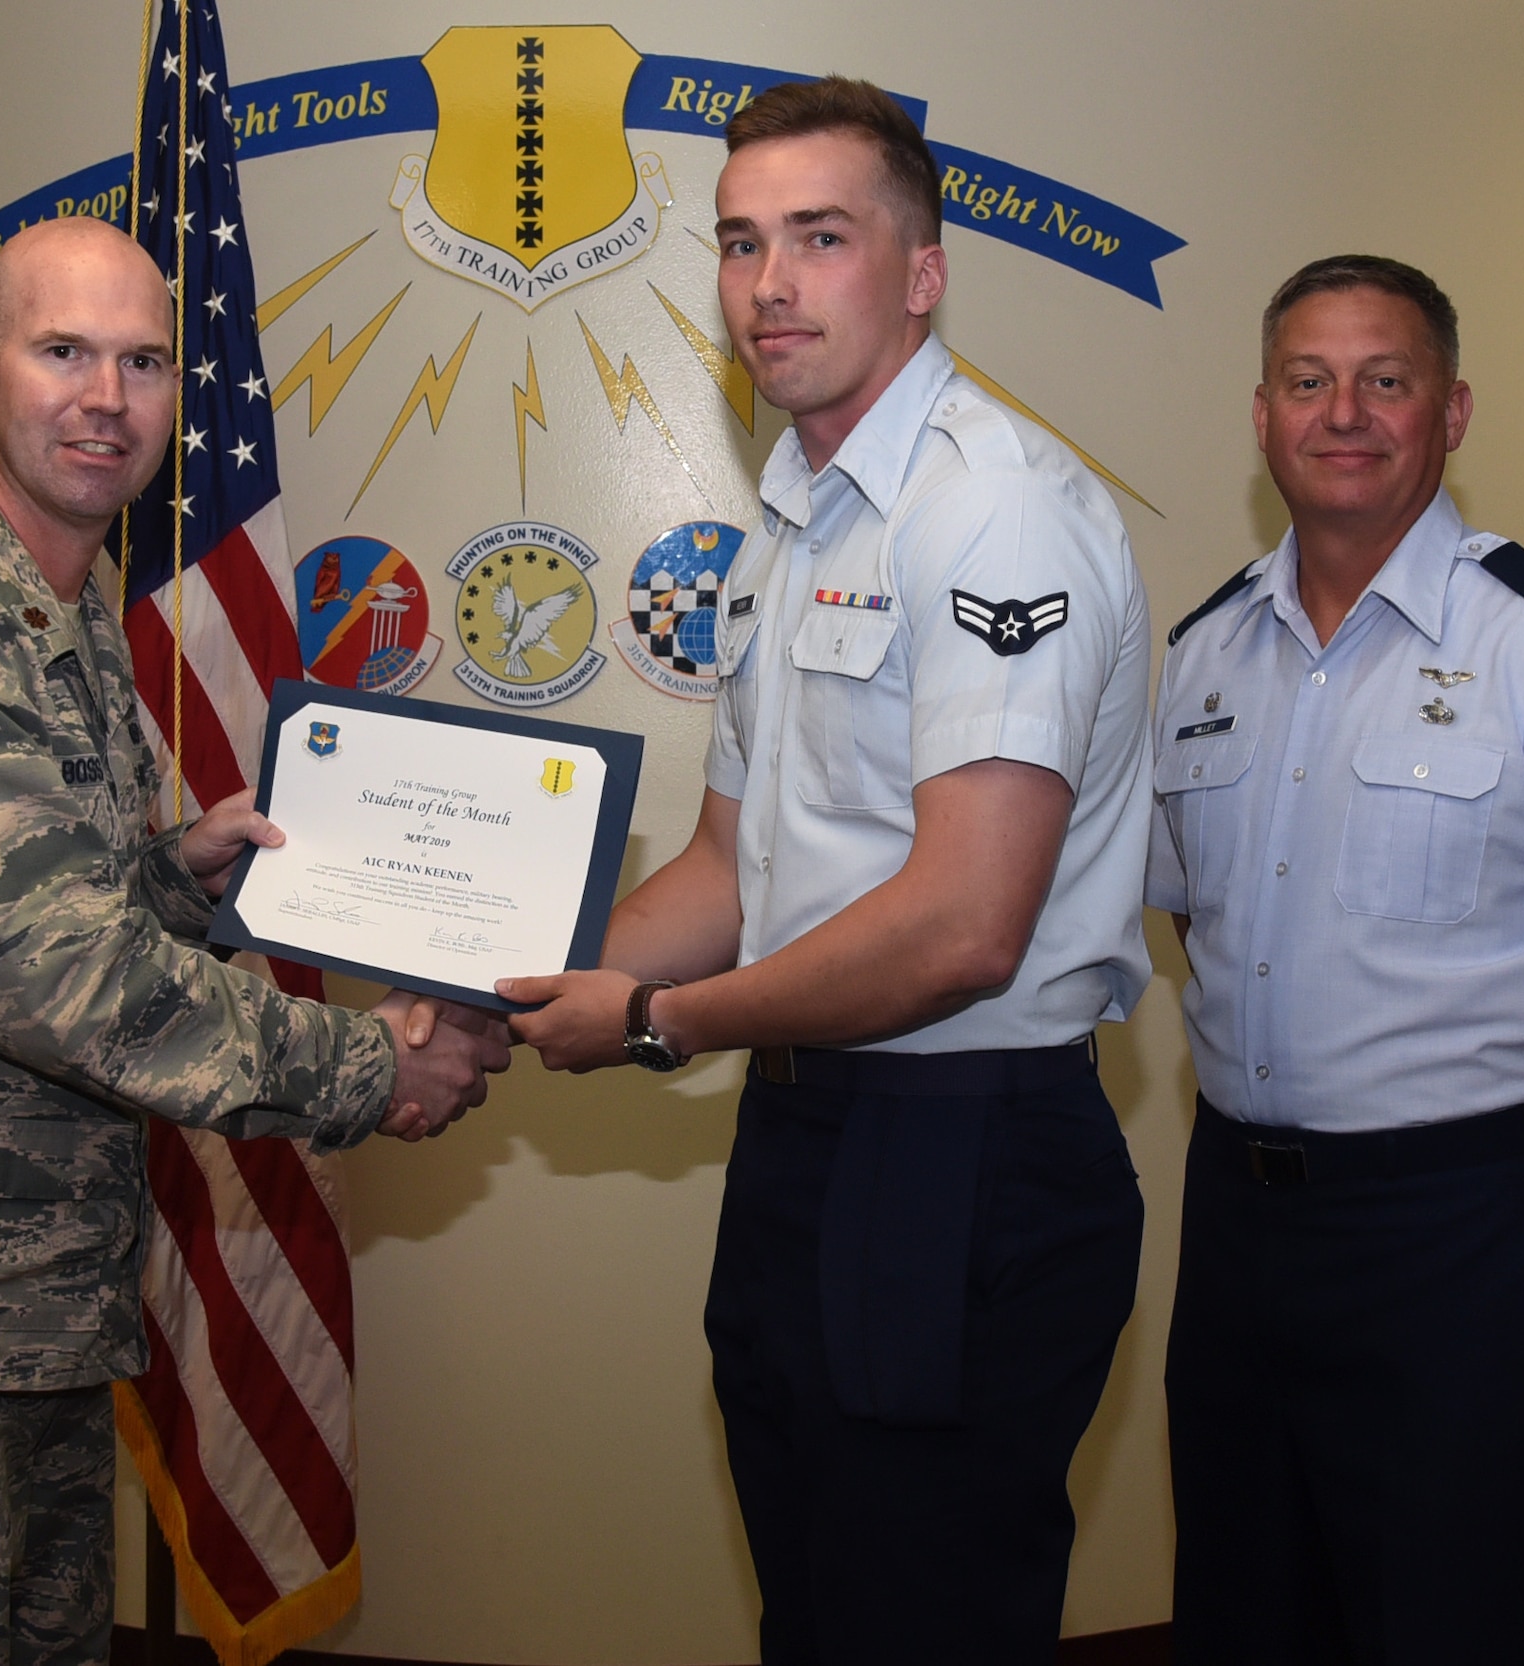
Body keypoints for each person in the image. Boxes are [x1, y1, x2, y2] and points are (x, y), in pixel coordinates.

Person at [0, 217, 509, 1665]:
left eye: (143, 362)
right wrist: (368, 1065)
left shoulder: (54, 623)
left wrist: (170, 875)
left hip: (19, 1324)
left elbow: (2, 927)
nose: (107, 397)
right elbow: (63, 984)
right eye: (62, 351)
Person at [501, 77, 1153, 1665]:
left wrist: (661, 1021)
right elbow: (732, 865)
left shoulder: (987, 511)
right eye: (739, 243)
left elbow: (962, 925)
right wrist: (497, 979)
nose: (770, 284)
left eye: (820, 237)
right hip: (810, 1126)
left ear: (920, 272)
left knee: (919, 1615)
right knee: (824, 1602)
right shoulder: (796, 517)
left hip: (962, 1147)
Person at [1150, 253, 1524, 1664]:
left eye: (1386, 380)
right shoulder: (1204, 652)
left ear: (1451, 412)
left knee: (1450, 1613)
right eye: (1309, 380)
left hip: (1458, 1224)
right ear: (1262, 416)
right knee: (1244, 1598)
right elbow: (1195, 918)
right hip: (1241, 1220)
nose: (1346, 412)